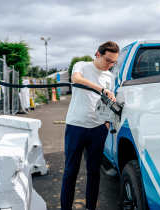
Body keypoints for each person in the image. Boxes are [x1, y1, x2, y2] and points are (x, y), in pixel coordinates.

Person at [61, 41, 119, 210]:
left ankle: (91, 207)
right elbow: (76, 79)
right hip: (76, 126)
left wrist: (107, 121)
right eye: (108, 60)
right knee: (70, 171)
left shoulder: (110, 76)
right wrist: (101, 89)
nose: (110, 65)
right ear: (98, 54)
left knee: (94, 172)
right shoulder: (82, 66)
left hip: (98, 129)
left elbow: (107, 101)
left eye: (114, 62)